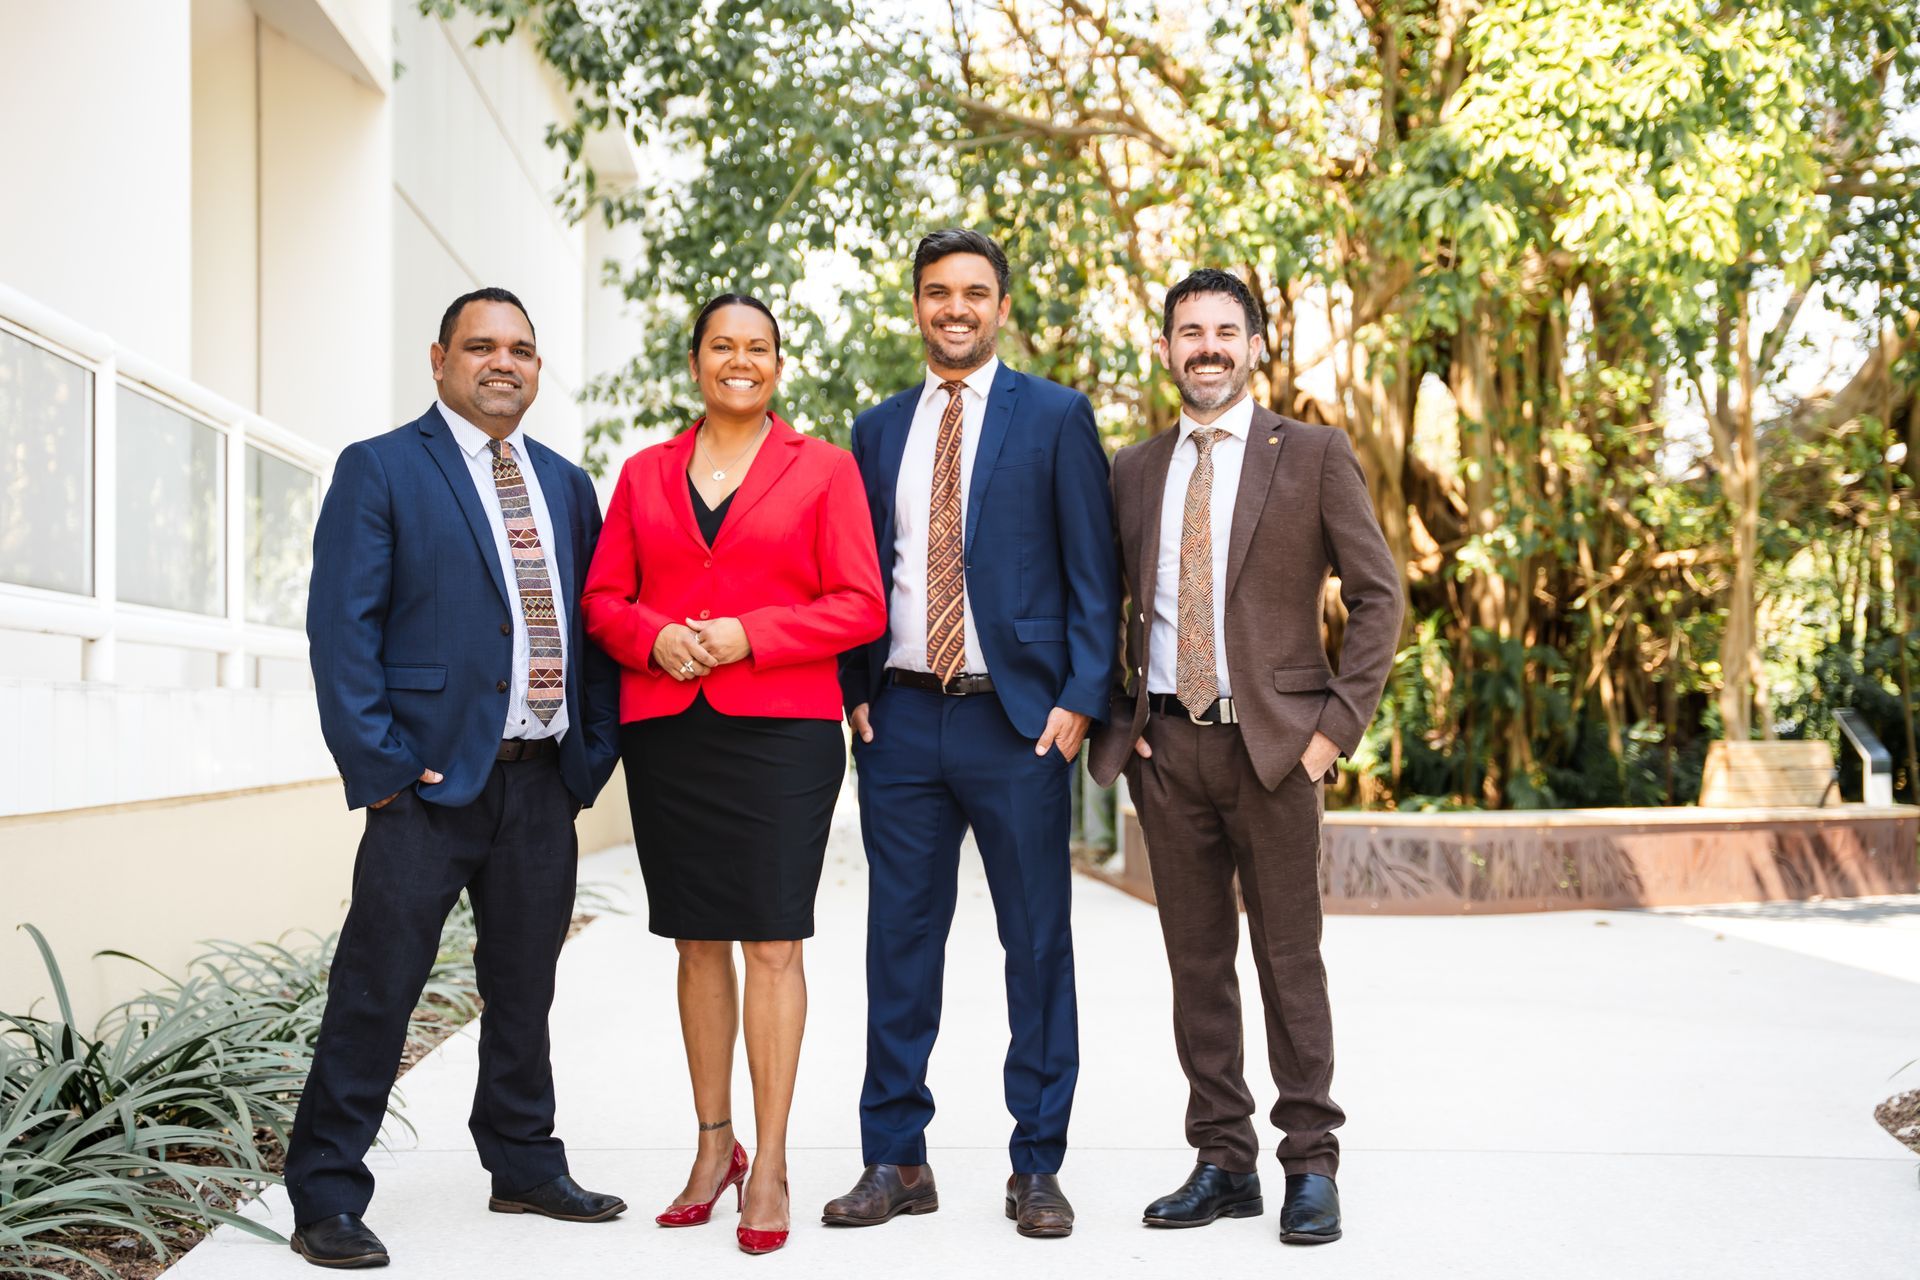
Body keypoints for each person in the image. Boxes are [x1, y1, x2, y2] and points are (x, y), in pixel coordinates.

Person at [286, 287, 624, 1268]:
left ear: (537, 367)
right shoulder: (383, 467)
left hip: (540, 780)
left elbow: (594, 626)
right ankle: (327, 1191)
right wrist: (382, 764)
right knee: (376, 986)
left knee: (524, 986)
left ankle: (522, 1158)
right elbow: (339, 628)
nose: (502, 362)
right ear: (440, 358)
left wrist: (588, 754)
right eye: (482, 345)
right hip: (426, 785)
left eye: (520, 348)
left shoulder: (566, 483)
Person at [1087, 269, 1403, 1246]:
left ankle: (1310, 1161)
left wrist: (1330, 735)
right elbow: (1099, 601)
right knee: (1196, 963)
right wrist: (1122, 718)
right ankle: (1222, 1157)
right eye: (1191, 330)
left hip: (1276, 751)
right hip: (1169, 751)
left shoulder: (1310, 454)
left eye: (1227, 329)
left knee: (1288, 959)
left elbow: (1379, 596)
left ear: (1256, 345)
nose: (1208, 346)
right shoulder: (1135, 469)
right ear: (1167, 347)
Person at [826, 229, 1120, 1239]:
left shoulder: (1054, 416)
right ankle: (894, 1156)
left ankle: (1036, 1163)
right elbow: (859, 569)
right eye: (938, 291)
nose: (956, 307)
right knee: (897, 945)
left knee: (1035, 945)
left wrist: (1080, 696)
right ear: (916, 304)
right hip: (902, 718)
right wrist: (853, 685)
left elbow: (1096, 571)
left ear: (1002, 306)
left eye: (976, 292)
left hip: (1018, 721)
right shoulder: (875, 428)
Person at [582, 294, 886, 1256]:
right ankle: (716, 1147)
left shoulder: (824, 471)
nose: (740, 362)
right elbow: (603, 599)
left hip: (781, 735)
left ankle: (778, 1162)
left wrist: (748, 634)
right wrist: (655, 636)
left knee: (774, 945)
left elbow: (861, 606)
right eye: (723, 347)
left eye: (757, 348)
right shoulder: (643, 474)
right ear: (695, 362)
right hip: (671, 732)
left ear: (777, 366)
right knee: (695, 942)